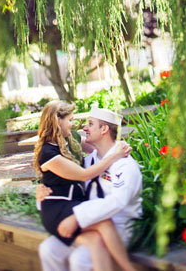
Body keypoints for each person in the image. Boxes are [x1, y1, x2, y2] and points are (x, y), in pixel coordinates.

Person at [37, 105, 143, 271]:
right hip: (88, 222)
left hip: (118, 226)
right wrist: (42, 193)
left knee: (80, 260)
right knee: (48, 249)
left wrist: (77, 217)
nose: (83, 127)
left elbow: (118, 202)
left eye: (90, 124)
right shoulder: (88, 163)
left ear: (104, 129)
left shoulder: (125, 165)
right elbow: (66, 184)